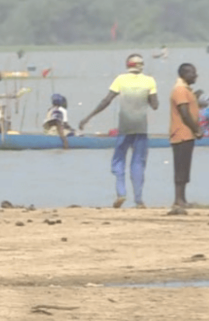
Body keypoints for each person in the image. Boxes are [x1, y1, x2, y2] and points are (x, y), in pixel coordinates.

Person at [79, 54, 159, 208]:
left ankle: (121, 193)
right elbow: (155, 105)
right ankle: (139, 199)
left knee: (119, 159)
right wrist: (147, 96)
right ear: (141, 65)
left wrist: (88, 117)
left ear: (127, 65)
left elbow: (106, 101)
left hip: (124, 126)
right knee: (138, 162)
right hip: (141, 127)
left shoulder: (120, 80)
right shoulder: (149, 81)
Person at [169, 63, 202, 215]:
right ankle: (178, 199)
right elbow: (184, 112)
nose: (196, 75)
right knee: (181, 167)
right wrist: (196, 129)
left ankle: (182, 198)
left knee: (184, 167)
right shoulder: (180, 90)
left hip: (187, 134)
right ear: (184, 74)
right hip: (181, 134)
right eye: (193, 73)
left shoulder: (186, 89)